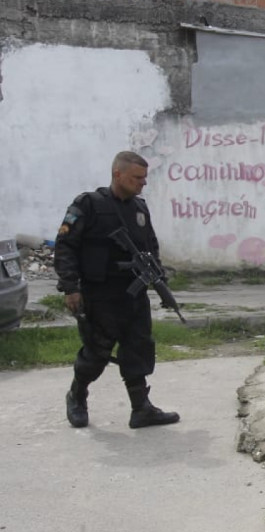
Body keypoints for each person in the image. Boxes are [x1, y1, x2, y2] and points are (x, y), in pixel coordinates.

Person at [54, 151, 180, 430]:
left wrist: (158, 276)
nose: (143, 182)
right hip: (99, 293)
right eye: (137, 177)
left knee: (138, 347)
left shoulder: (139, 209)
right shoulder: (88, 204)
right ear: (117, 174)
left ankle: (141, 409)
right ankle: (77, 395)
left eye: (144, 177)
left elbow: (150, 246)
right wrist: (70, 287)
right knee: (97, 351)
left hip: (133, 293)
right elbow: (65, 246)